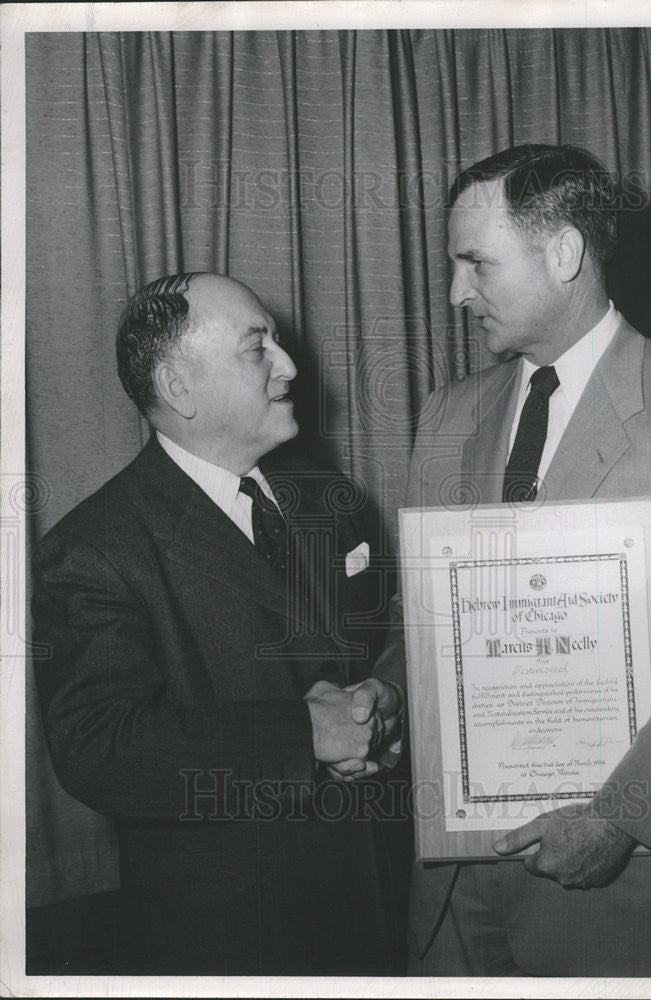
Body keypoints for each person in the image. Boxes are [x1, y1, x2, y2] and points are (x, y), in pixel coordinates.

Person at [364, 144, 651, 976]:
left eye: (475, 263)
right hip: (451, 899)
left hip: (618, 898)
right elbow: (433, 624)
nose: (455, 293)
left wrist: (620, 818)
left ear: (564, 255)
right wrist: (388, 690)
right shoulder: (447, 414)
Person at [32, 272, 406, 975]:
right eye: (257, 346)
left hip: (382, 905)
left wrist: (387, 700)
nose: (290, 365)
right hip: (234, 940)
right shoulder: (95, 549)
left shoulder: (333, 497)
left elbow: (384, 640)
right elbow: (98, 746)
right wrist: (305, 736)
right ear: (178, 386)